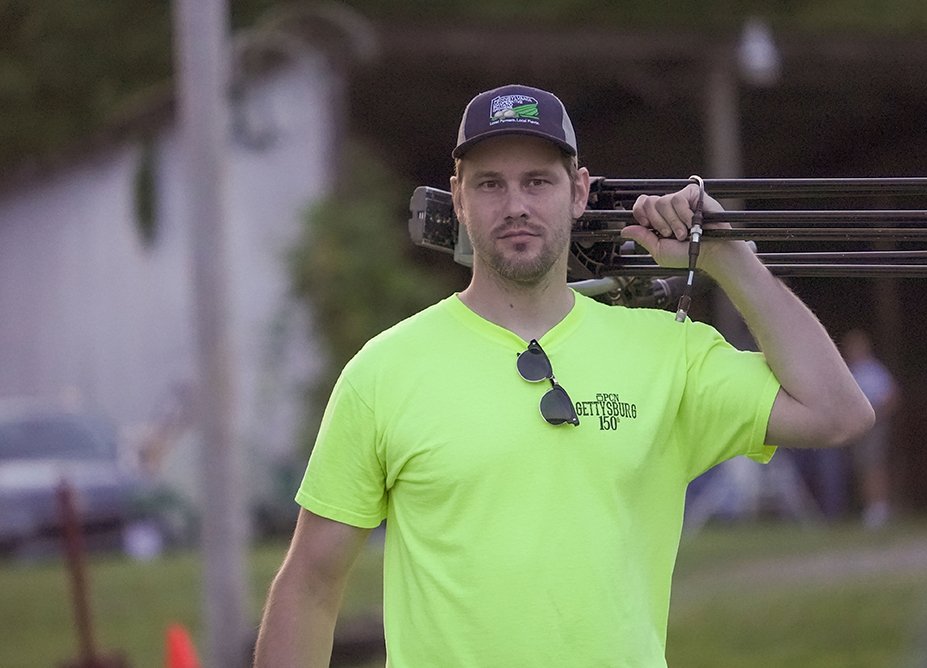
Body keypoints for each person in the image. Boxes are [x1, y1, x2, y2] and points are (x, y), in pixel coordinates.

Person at [253, 84, 874, 667]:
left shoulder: (667, 353)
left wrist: (728, 257)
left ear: (577, 192)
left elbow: (837, 413)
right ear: (459, 197)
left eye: (538, 182)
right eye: (491, 184)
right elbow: (310, 582)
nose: (517, 205)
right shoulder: (384, 371)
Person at [842, 328, 899, 529]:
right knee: (862, 467)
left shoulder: (874, 370)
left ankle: (880, 507)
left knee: (875, 467)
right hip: (858, 427)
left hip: (874, 426)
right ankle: (869, 507)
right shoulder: (851, 371)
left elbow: (891, 395)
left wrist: (878, 415)